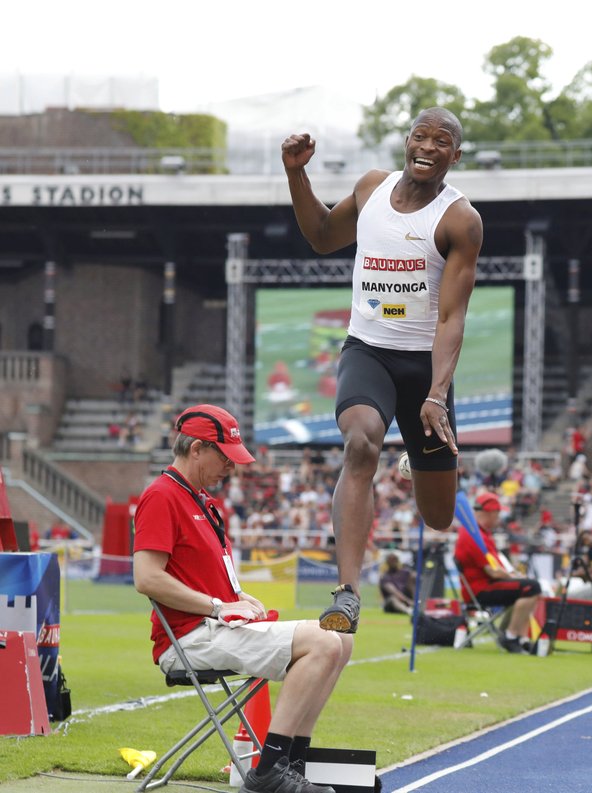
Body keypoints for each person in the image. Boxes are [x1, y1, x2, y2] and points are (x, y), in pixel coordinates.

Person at [282, 107, 483, 633]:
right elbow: (323, 235)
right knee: (361, 444)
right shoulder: (372, 188)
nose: (428, 146)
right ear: (407, 143)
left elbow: (452, 316)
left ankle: (419, 460)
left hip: (425, 368)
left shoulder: (460, 220)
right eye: (421, 136)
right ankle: (347, 592)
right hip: (367, 351)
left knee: (438, 518)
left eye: (442, 142)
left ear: (454, 157)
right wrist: (296, 174)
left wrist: (437, 393)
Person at [133, 404, 352, 793]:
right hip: (187, 638)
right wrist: (219, 606)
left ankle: (293, 765)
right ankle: (269, 772)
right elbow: (147, 578)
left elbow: (208, 578)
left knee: (341, 641)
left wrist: (238, 598)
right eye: (225, 456)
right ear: (196, 448)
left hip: (212, 626)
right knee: (322, 642)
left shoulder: (202, 499)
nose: (231, 467)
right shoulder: (162, 496)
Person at [454, 492, 541, 654]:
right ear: (489, 512)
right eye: (497, 513)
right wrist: (515, 577)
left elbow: (496, 567)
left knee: (528, 587)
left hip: (484, 586)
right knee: (531, 587)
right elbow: (493, 572)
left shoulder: (479, 533)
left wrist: (515, 577)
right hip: (481, 590)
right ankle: (511, 636)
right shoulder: (473, 536)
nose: (499, 518)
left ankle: (520, 638)